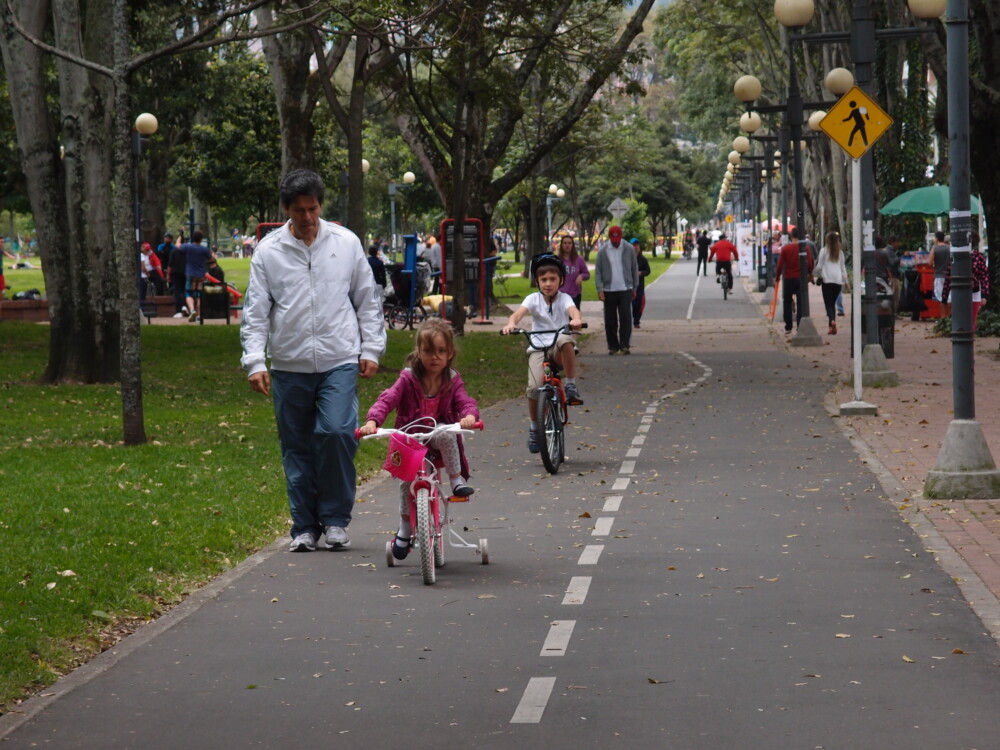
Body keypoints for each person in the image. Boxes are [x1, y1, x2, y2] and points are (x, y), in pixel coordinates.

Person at [241, 168, 385, 553]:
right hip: (289, 365)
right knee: (297, 447)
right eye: (300, 210)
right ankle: (304, 526)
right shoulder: (269, 252)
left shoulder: (346, 243)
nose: (307, 217)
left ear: (321, 205)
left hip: (339, 359)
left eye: (314, 208)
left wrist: (370, 349)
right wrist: (255, 361)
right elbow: (255, 311)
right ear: (286, 209)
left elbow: (367, 301)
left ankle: (336, 519)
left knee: (337, 433)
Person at [358, 319, 479, 560]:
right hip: (410, 434)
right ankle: (405, 528)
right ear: (419, 352)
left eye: (441, 351)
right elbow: (388, 399)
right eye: (428, 351)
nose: (435, 357)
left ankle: (456, 480)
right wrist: (373, 421)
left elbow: (464, 401)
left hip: (436, 433)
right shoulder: (408, 378)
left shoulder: (452, 379)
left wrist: (468, 416)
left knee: (447, 433)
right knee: (407, 484)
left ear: (450, 353)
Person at [501, 253, 584, 453]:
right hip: (538, 348)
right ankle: (534, 427)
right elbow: (518, 314)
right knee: (533, 389)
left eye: (552, 279)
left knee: (566, 340)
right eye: (543, 280)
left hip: (558, 349)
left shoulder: (565, 298)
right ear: (537, 282)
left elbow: (573, 311)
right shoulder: (533, 299)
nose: (548, 283)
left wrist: (575, 321)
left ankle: (571, 386)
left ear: (560, 280)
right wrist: (512, 323)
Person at [594, 226, 638, 355]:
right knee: (610, 319)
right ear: (609, 237)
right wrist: (600, 289)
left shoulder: (629, 249)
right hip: (609, 289)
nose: (615, 242)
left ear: (621, 236)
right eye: (613, 239)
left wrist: (634, 287)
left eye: (617, 239)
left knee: (626, 318)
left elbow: (634, 268)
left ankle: (625, 345)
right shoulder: (603, 251)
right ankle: (613, 346)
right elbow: (598, 272)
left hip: (625, 288)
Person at [942, 232, 989, 331]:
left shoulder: (979, 257)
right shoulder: (955, 257)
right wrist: (944, 297)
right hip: (958, 292)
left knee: (972, 320)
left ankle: (970, 339)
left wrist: (984, 295)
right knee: (960, 319)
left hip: (974, 292)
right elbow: (948, 276)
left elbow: (984, 276)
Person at [775, 227, 814, 335]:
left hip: (788, 278)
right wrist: (810, 273)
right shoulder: (805, 248)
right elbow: (809, 263)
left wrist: (777, 276)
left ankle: (788, 326)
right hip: (801, 279)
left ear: (791, 236)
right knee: (801, 302)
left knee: (787, 301)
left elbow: (780, 265)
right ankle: (799, 325)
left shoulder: (785, 249)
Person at [814, 231, 848, 335]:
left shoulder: (823, 251)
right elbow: (843, 268)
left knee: (828, 304)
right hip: (838, 281)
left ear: (827, 240)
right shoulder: (840, 252)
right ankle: (832, 326)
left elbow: (819, 266)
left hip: (827, 280)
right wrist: (846, 282)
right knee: (832, 303)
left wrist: (812, 272)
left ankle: (832, 321)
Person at [181, 230, 212, 322]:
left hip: (190, 274)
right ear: (201, 239)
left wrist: (180, 235)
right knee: (199, 295)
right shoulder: (204, 249)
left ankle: (192, 310)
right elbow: (210, 258)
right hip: (201, 275)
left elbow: (178, 246)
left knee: (188, 293)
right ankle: (199, 315)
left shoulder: (188, 247)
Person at [556, 234, 590, 310]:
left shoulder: (579, 259)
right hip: (560, 295)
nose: (567, 245)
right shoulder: (557, 260)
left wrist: (581, 276)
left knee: (574, 319)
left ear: (573, 245)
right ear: (561, 245)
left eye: (569, 243)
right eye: (565, 243)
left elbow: (587, 274)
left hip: (575, 295)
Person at [166, 235, 187, 318]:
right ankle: (185, 306)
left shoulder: (173, 251)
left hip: (176, 273)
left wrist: (168, 275)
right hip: (186, 273)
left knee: (177, 292)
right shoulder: (187, 251)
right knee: (186, 290)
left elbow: (170, 265)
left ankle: (178, 311)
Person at [631, 238, 650, 328]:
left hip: (640, 286)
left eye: (636, 245)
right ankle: (629, 320)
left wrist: (641, 273)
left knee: (640, 304)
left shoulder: (643, 260)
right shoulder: (627, 259)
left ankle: (636, 321)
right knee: (630, 305)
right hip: (629, 287)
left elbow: (648, 271)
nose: (635, 247)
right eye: (633, 245)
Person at [928, 231, 950, 304]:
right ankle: (950, 314)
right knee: (949, 298)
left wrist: (934, 268)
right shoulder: (949, 248)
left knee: (940, 298)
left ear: (936, 238)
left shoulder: (934, 248)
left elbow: (930, 262)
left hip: (939, 275)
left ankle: (943, 315)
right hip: (949, 276)